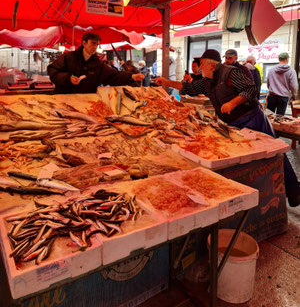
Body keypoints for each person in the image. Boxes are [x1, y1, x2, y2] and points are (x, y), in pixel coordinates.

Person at [155, 49, 300, 207]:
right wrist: (166, 82)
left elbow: (251, 89)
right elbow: (188, 88)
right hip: (234, 125)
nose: (199, 67)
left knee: (275, 154)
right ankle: (258, 196)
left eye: (201, 64)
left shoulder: (230, 73)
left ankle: (294, 193)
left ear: (211, 65)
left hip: (253, 120)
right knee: (250, 160)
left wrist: (232, 103)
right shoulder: (207, 81)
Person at [48, 33, 144, 94]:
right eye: (93, 43)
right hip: (64, 99)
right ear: (84, 43)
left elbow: (114, 75)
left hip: (87, 102)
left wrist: (132, 77)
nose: (95, 47)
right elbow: (53, 71)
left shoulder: (98, 63)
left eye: (97, 44)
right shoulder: (68, 57)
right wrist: (68, 78)